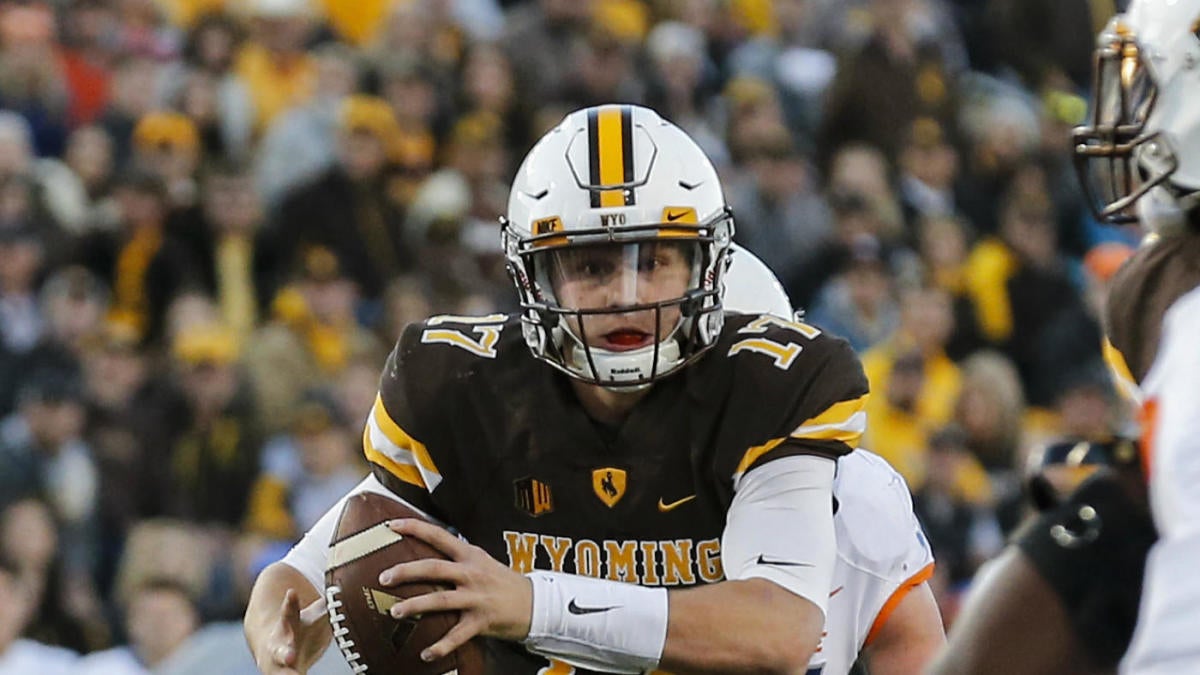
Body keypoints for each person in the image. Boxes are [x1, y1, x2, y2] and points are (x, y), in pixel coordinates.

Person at [245, 105, 940, 674]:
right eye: (591, 265)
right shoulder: (474, 392)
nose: (626, 299)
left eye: (657, 263)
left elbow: (785, 633)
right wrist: (286, 606)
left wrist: (531, 601)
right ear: (531, 277)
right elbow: (338, 545)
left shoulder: (820, 455)